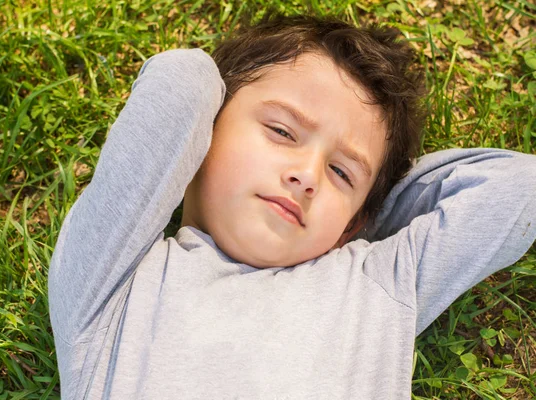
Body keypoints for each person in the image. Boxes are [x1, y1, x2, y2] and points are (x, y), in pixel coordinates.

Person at [48, 13, 536, 399]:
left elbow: (517, 186)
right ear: (206, 128)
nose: (306, 176)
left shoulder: (376, 284)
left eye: (341, 173)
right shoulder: (114, 280)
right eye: (282, 131)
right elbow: (182, 80)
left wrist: (360, 216)